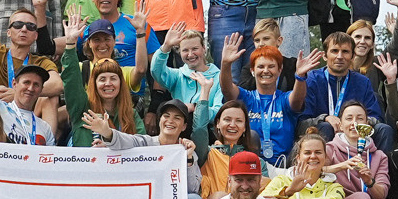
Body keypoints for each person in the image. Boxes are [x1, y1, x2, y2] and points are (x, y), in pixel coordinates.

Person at [292, 27, 385, 151]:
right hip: (320, 135)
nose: (340, 56)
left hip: (354, 134)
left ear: (352, 56)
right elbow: (301, 122)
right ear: (325, 56)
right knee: (326, 126)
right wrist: (324, 118)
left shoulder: (362, 82)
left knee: (384, 130)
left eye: (345, 52)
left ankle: (382, 169)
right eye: (335, 51)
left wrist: (353, 123)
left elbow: (376, 118)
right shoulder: (312, 79)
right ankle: (324, 168)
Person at [222, 38, 300, 166]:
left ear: (279, 70)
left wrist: (300, 77)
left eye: (271, 66)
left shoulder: (285, 99)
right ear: (252, 71)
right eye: (260, 66)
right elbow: (227, 89)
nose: (265, 71)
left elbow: (297, 100)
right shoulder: (246, 97)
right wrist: (225, 64)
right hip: (249, 166)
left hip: (283, 167)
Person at [150, 26, 225, 155]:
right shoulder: (178, 75)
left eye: (195, 49)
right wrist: (166, 47)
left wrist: (195, 107)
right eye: (185, 50)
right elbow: (156, 71)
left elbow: (219, 113)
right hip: (179, 134)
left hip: (208, 134)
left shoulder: (219, 77)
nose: (190, 54)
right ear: (179, 52)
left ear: (204, 48)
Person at [68, 59, 138, 149]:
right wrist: (70, 47)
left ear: (121, 83)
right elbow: (70, 81)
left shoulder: (132, 114)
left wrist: (111, 146)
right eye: (102, 79)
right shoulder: (82, 110)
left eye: (113, 78)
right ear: (94, 84)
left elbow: (141, 144)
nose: (108, 83)